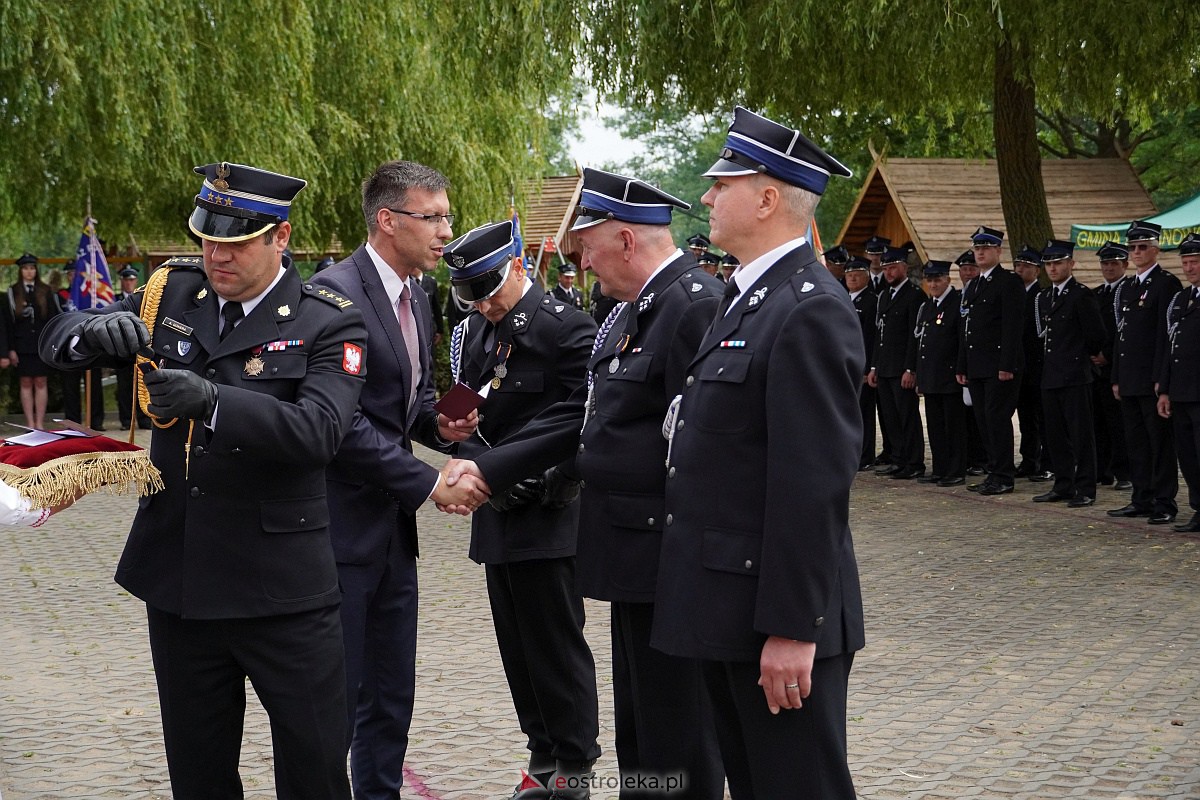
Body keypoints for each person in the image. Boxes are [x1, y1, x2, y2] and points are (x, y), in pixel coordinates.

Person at [39, 161, 369, 799]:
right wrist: (87, 333)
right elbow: (59, 340)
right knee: (198, 776)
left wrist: (214, 402)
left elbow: (320, 432)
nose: (217, 255)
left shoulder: (328, 320)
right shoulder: (173, 294)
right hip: (182, 579)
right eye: (208, 239)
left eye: (236, 242)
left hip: (282, 593)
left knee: (316, 772)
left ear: (281, 237)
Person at [651, 106, 864, 799]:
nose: (707, 196)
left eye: (723, 184)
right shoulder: (748, 297)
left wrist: (793, 630)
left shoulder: (808, 308)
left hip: (776, 623)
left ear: (768, 199)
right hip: (729, 607)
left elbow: (812, 486)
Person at [309, 160, 483, 800]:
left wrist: (446, 428)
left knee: (390, 693)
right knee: (334, 698)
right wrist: (429, 484)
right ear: (387, 220)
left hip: (390, 534)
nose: (446, 232)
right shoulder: (333, 295)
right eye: (432, 218)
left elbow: (405, 405)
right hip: (338, 530)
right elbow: (341, 424)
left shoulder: (418, 293)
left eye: (447, 217)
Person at [443, 219, 602, 799]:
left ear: (517, 266)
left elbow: (589, 415)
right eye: (472, 297)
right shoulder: (473, 334)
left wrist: (553, 475)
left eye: (489, 291)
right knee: (518, 652)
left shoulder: (568, 329)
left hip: (549, 512)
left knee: (555, 647)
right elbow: (459, 419)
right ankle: (542, 756)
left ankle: (575, 765)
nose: (484, 305)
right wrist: (471, 460)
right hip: (497, 511)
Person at [1108, 220, 1181, 525]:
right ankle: (1141, 498)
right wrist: (1116, 376)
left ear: (1155, 249)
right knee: (1136, 443)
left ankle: (1164, 502)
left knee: (1159, 444)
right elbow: (1121, 335)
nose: (1136, 252)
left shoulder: (1166, 284)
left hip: (1151, 378)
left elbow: (1167, 337)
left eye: (1142, 247)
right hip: (1129, 378)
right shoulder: (1127, 287)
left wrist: (1162, 380)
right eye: (1133, 247)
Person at [1032, 240, 1105, 508]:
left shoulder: (1080, 295)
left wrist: (1080, 356)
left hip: (1075, 375)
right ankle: (1063, 484)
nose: (1052, 268)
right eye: (1049, 264)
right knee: (1055, 436)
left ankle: (1085, 488)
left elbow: (1096, 335)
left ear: (1071, 264)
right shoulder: (1045, 297)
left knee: (1081, 435)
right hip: (1051, 375)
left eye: (1058, 263)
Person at [956, 225, 1025, 496]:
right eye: (977, 248)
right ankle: (993, 471)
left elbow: (1012, 327)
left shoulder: (1008, 282)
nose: (980, 253)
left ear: (998, 251)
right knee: (983, 420)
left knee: (997, 419)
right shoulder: (975, 284)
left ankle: (1004, 475)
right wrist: (962, 365)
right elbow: (967, 329)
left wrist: (1007, 364)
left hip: (998, 365)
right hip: (977, 364)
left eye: (986, 248)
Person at [867, 246, 925, 479]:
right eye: (886, 269)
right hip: (885, 367)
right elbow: (879, 335)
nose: (889, 273)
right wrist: (874, 366)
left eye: (893, 268)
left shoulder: (914, 295)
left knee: (907, 417)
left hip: (902, 368)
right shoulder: (884, 296)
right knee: (890, 418)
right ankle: (898, 458)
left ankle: (914, 462)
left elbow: (914, 336)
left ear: (904, 267)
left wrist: (911, 368)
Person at [1157, 232, 1200, 532]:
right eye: (1185, 262)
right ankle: (1198, 507)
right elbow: (1170, 347)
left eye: (1195, 261)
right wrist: (1165, 389)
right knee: (1188, 456)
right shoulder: (1182, 299)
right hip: (1182, 391)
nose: (1189, 268)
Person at [915, 260, 966, 486]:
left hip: (949, 376)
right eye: (930, 280)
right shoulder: (928, 306)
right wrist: (920, 375)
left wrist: (961, 369)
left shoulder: (956, 304)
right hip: (931, 377)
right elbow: (922, 344)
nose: (933, 284)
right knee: (935, 427)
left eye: (937, 280)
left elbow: (961, 341)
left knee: (953, 427)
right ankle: (940, 468)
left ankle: (955, 471)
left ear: (948, 279)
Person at [1091, 242, 1133, 491]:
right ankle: (1103, 470)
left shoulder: (1128, 290)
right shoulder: (1096, 293)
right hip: (1095, 369)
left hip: (1116, 366)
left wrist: (1107, 355)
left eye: (1113, 263)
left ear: (1124, 265)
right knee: (1099, 422)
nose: (1108, 268)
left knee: (1119, 423)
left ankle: (1124, 472)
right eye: (1105, 263)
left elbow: (1123, 329)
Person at [6, 253, 59, 429]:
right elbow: (9, 324)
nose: (29, 272)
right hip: (22, 345)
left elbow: (52, 319)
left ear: (36, 270)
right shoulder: (13, 291)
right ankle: (30, 423)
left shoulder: (46, 290)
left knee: (41, 381)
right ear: (20, 271)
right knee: (26, 382)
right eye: (25, 269)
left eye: (32, 268)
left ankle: (39, 423)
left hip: (41, 344)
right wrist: (11, 349)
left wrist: (52, 345)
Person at [1012, 245, 1051, 482]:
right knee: (1025, 417)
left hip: (1038, 365)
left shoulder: (1041, 296)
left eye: (1026, 266)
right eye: (1018, 265)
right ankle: (1029, 459)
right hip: (1020, 366)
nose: (1020, 270)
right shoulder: (1013, 294)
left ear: (1037, 271)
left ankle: (1047, 462)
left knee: (1043, 417)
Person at [955, 249, 989, 476]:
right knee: (964, 416)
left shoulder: (981, 293)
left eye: (972, 268)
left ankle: (982, 459)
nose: (968, 273)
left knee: (981, 415)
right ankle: (969, 457)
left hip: (980, 362)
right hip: (961, 364)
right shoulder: (958, 297)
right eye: (964, 269)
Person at [845, 257, 878, 471]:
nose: (853, 279)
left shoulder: (871, 301)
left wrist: (868, 368)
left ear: (866, 277)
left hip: (861, 367)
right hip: (845, 366)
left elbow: (871, 337)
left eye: (857, 275)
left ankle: (865, 455)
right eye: (849, 275)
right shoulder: (843, 298)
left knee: (863, 414)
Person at [112, 267, 152, 430]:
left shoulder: (144, 298)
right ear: (121, 281)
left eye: (132, 280)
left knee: (143, 384)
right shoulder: (114, 299)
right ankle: (126, 420)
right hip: (122, 347)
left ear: (136, 281)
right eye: (126, 280)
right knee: (124, 386)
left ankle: (144, 419)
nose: (129, 283)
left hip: (141, 347)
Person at [419, 268, 445, 344]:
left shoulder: (431, 282)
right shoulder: (407, 282)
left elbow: (436, 307)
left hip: (429, 329)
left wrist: (440, 330)